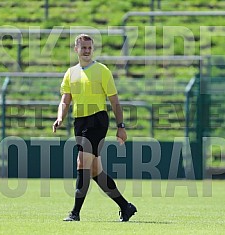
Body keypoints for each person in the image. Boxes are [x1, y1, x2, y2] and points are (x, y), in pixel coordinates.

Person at [53, 34, 137, 222]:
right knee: (95, 171)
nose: (87, 51)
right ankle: (126, 207)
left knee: (81, 162)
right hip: (80, 122)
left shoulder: (102, 70)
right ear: (76, 49)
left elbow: (115, 101)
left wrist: (121, 126)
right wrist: (60, 117)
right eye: (83, 47)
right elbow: (65, 100)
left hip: (97, 121)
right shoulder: (70, 73)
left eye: (90, 48)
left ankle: (75, 213)